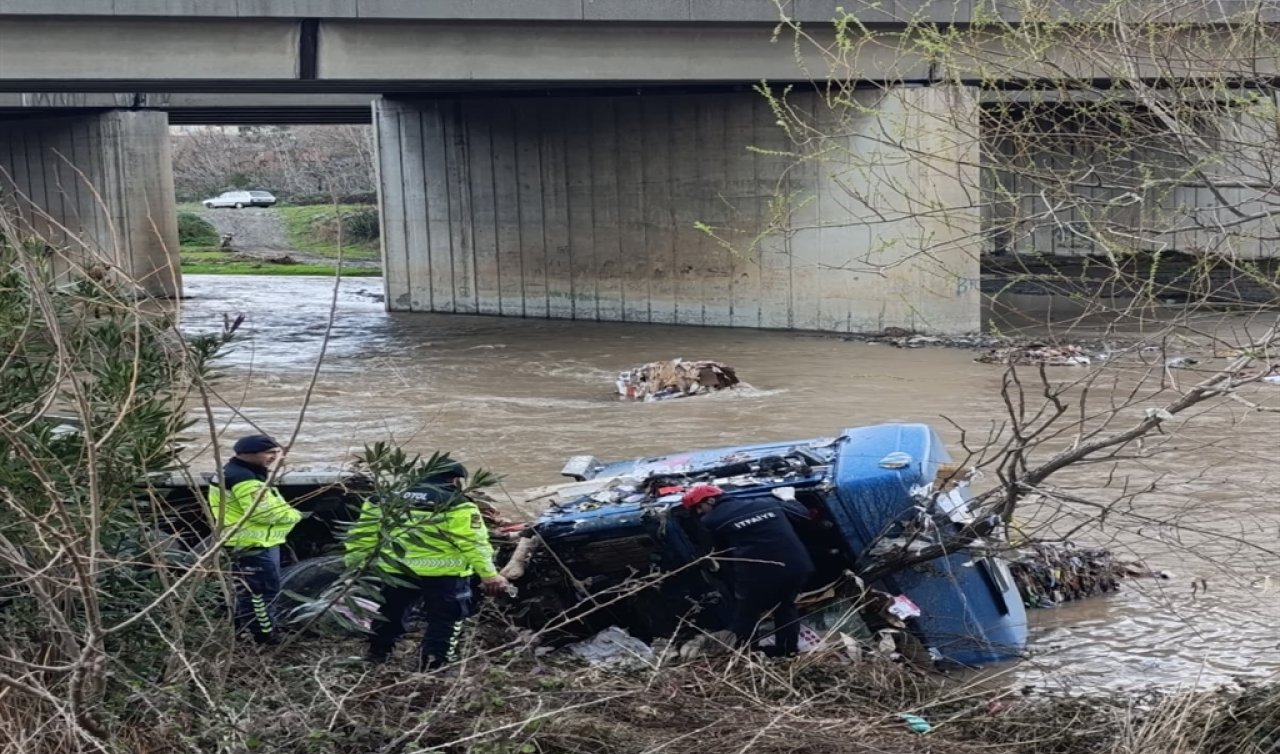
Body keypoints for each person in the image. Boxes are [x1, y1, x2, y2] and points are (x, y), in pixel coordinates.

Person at [344, 460, 510, 671]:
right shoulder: (457, 503)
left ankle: (377, 656)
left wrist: (355, 564)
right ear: (454, 480)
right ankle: (434, 667)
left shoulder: (383, 498)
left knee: (389, 613)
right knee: (445, 621)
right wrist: (490, 575)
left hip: (396, 570)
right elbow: (473, 543)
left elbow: (363, 534)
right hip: (445, 574)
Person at [682, 483, 814, 656]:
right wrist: (789, 497)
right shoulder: (767, 502)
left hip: (759, 573)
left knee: (746, 613)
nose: (699, 513)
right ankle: (787, 652)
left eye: (699, 507)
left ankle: (745, 655)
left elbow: (719, 551)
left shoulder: (711, 520)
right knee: (785, 606)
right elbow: (802, 515)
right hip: (796, 566)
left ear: (712, 500)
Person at [207, 434, 302, 645]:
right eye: (269, 453)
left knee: (247, 592)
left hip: (245, 542)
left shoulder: (237, 472)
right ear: (250, 454)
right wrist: (295, 516)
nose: (274, 457)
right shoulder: (245, 480)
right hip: (253, 545)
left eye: (276, 452)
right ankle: (265, 637)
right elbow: (263, 513)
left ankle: (243, 631)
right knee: (262, 594)